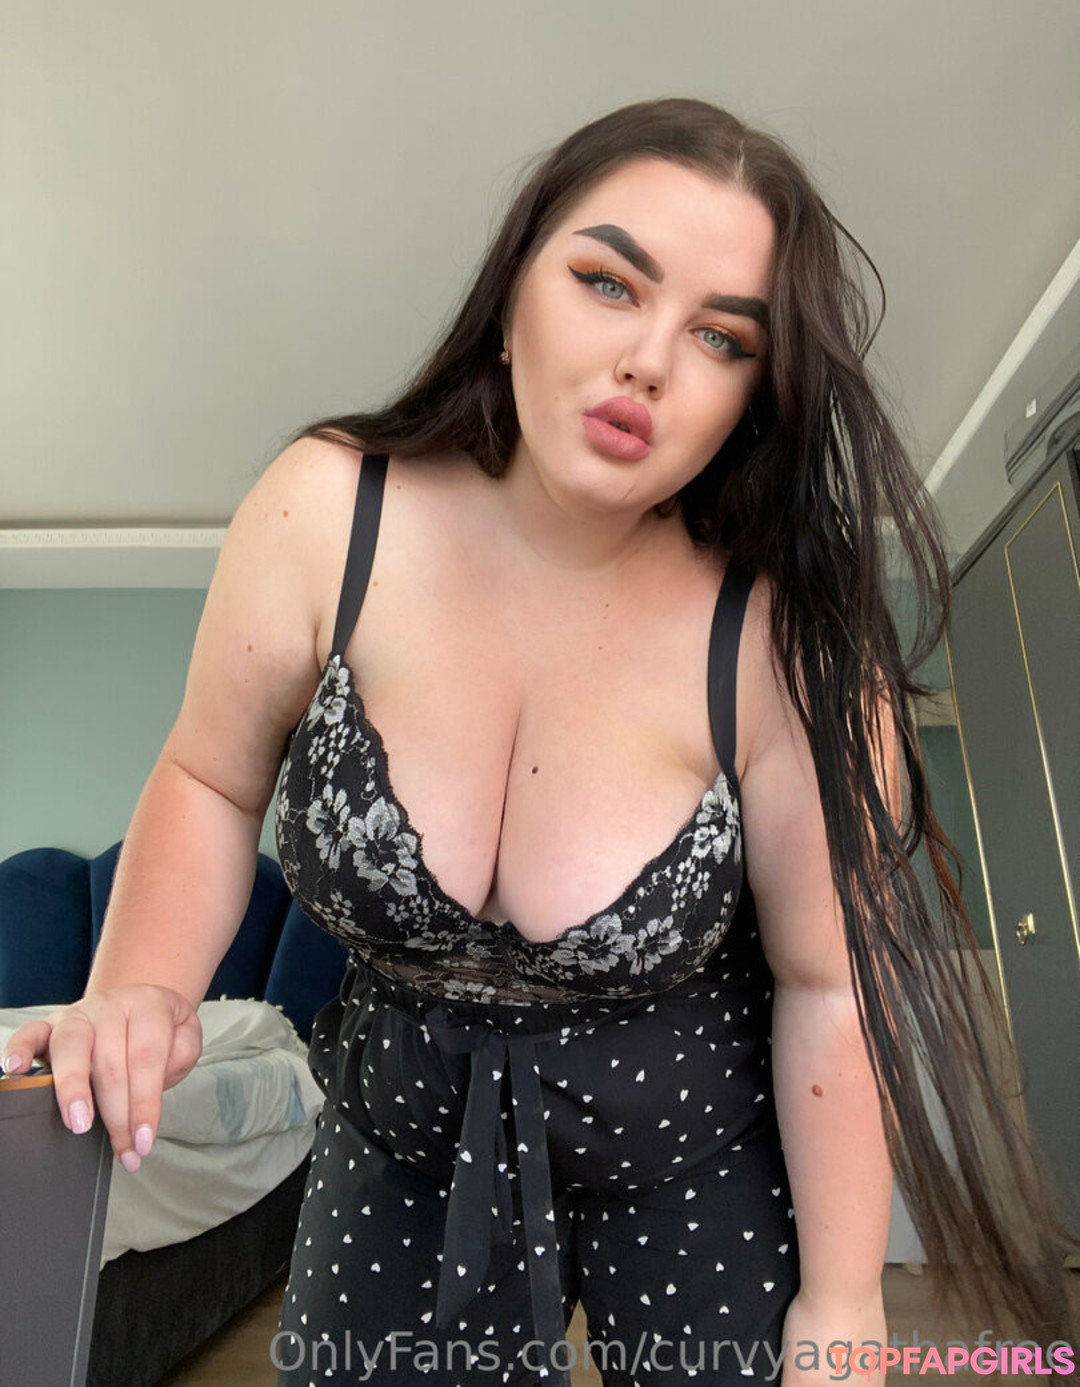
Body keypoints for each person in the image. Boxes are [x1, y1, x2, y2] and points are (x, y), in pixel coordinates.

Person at [3, 98, 1076, 1386]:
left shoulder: (785, 642)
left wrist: (842, 1306)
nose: (649, 363)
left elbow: (829, 985)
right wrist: (139, 985)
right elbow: (211, 779)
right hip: (403, 1134)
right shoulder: (326, 514)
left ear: (752, 396)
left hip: (689, 1152)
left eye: (722, 337)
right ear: (513, 291)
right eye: (608, 281)